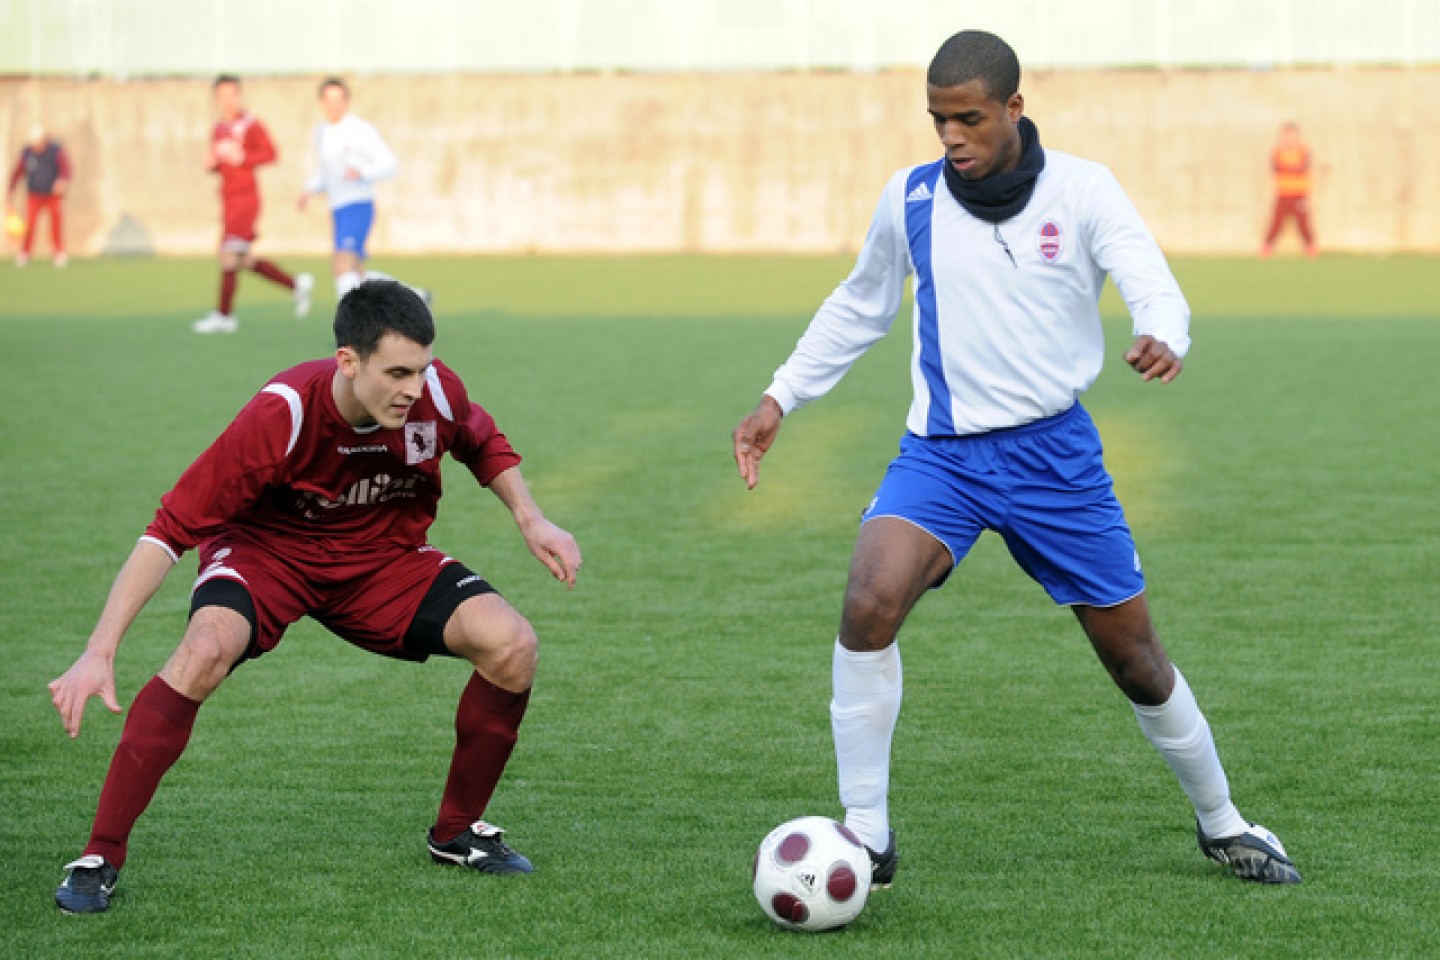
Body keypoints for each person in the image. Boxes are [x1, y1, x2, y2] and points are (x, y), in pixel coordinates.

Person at [731, 30, 1300, 888]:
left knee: (1134, 657)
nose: (951, 137)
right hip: (943, 457)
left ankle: (1223, 823)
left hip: (1053, 458)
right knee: (868, 601)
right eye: (937, 121)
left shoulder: (1081, 189)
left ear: (1013, 109)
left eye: (967, 119)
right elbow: (859, 306)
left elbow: (1147, 275)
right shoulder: (911, 198)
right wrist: (781, 396)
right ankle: (868, 833)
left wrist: (1163, 331)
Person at [49, 280, 581, 914]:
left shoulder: (434, 394)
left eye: (423, 368)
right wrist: (99, 649)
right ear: (348, 362)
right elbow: (166, 531)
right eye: (397, 372)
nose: (413, 387)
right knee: (203, 651)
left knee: (512, 644)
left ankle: (456, 831)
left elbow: (480, 440)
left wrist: (530, 516)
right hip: (267, 555)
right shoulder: (283, 413)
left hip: (380, 561)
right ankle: (99, 855)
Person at [193, 75, 314, 335]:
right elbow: (222, 163)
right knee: (242, 259)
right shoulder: (218, 129)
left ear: (239, 95)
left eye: (232, 95)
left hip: (245, 198)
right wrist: (212, 165)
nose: (227, 101)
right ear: (217, 98)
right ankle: (296, 284)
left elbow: (271, 153)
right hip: (227, 198)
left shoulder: (250, 124)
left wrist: (244, 155)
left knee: (227, 256)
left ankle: (224, 316)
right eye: (222, 96)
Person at [298, 78, 424, 301]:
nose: (333, 105)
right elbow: (327, 172)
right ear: (321, 102)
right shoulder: (321, 132)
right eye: (328, 100)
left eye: (338, 99)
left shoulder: (360, 130)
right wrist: (310, 189)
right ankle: (414, 296)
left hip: (358, 204)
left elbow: (389, 164)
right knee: (357, 274)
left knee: (341, 265)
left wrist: (363, 172)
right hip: (337, 207)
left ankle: (351, 332)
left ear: (346, 101)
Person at [6, 124, 71, 268]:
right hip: (34, 194)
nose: (36, 145)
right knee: (30, 224)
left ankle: (59, 253)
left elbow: (66, 168)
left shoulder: (56, 150)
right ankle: (25, 253)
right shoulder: (27, 152)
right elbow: (17, 173)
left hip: (53, 195)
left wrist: (62, 180)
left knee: (56, 223)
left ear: (44, 140)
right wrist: (9, 193)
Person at [1261, 122, 1317, 259]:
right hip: (1283, 193)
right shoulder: (1277, 152)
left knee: (1304, 222)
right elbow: (1279, 167)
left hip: (1300, 193)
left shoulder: (1303, 151)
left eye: (1291, 136)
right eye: (1285, 136)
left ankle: (1311, 247)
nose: (1288, 139)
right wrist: (1292, 168)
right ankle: (1266, 247)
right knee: (1276, 222)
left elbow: (1301, 167)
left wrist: (1292, 168)